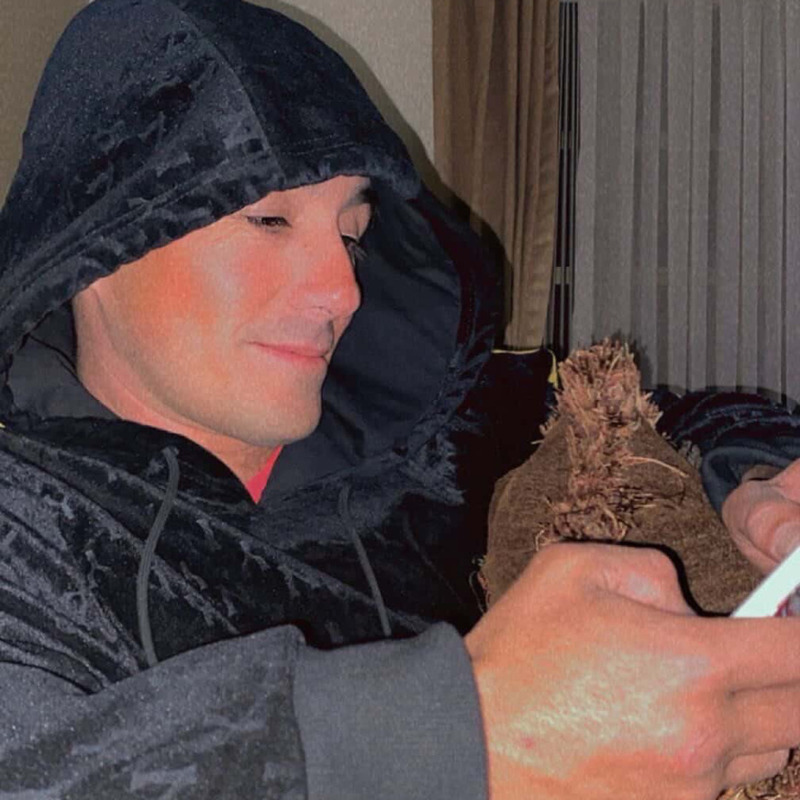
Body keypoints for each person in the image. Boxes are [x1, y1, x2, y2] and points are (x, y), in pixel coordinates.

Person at [3, 1, 800, 798]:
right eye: (270, 219)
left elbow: (656, 416)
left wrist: (758, 481)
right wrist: (453, 738)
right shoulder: (30, 533)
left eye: (351, 234)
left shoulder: (428, 427)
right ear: (96, 246)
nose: (341, 290)